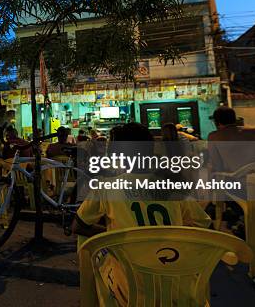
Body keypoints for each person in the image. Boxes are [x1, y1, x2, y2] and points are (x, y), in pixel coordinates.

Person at [73, 122, 211, 306]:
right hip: (181, 289)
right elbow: (203, 223)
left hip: (131, 291)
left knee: (92, 250)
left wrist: (116, 235)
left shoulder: (105, 187)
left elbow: (78, 226)